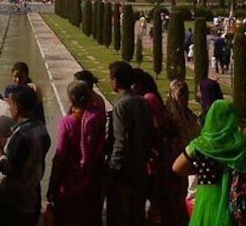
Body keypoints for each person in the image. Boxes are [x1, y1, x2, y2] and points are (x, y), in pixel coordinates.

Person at [172, 100, 246, 226]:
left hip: (207, 202)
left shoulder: (201, 145)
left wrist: (200, 169)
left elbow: (177, 167)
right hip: (235, 204)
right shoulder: (241, 145)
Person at [47, 81, 105, 226]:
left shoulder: (67, 123)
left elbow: (59, 156)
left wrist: (52, 185)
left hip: (69, 184)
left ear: (71, 99)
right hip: (92, 181)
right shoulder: (97, 117)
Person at [0, 85, 50, 225]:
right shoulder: (41, 129)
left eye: (11, 104)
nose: (10, 108)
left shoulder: (21, 135)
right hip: (33, 194)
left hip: (15, 201)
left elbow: (10, 169)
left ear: (17, 107)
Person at [106, 61, 151, 226]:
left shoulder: (121, 104)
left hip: (125, 171)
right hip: (140, 167)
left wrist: (113, 169)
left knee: (120, 215)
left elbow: (121, 140)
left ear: (116, 81)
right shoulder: (142, 101)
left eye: (110, 78)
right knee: (137, 214)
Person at [162, 80, 201, 226]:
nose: (184, 97)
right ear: (172, 94)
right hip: (174, 165)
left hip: (189, 163)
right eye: (180, 94)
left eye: (186, 93)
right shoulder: (169, 116)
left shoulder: (189, 114)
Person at [131, 68, 167, 224]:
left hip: (154, 156)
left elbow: (157, 126)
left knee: (153, 196)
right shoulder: (149, 96)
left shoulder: (149, 98)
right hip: (153, 154)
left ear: (138, 83)